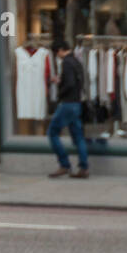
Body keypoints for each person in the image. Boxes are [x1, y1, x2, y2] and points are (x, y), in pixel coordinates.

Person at [46, 40, 89, 178]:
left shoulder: (66, 62)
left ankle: (64, 164)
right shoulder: (76, 61)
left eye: (56, 53)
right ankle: (83, 167)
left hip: (67, 103)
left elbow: (70, 83)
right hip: (76, 103)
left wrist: (60, 89)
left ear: (60, 50)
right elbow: (78, 82)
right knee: (78, 137)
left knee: (52, 132)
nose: (57, 56)